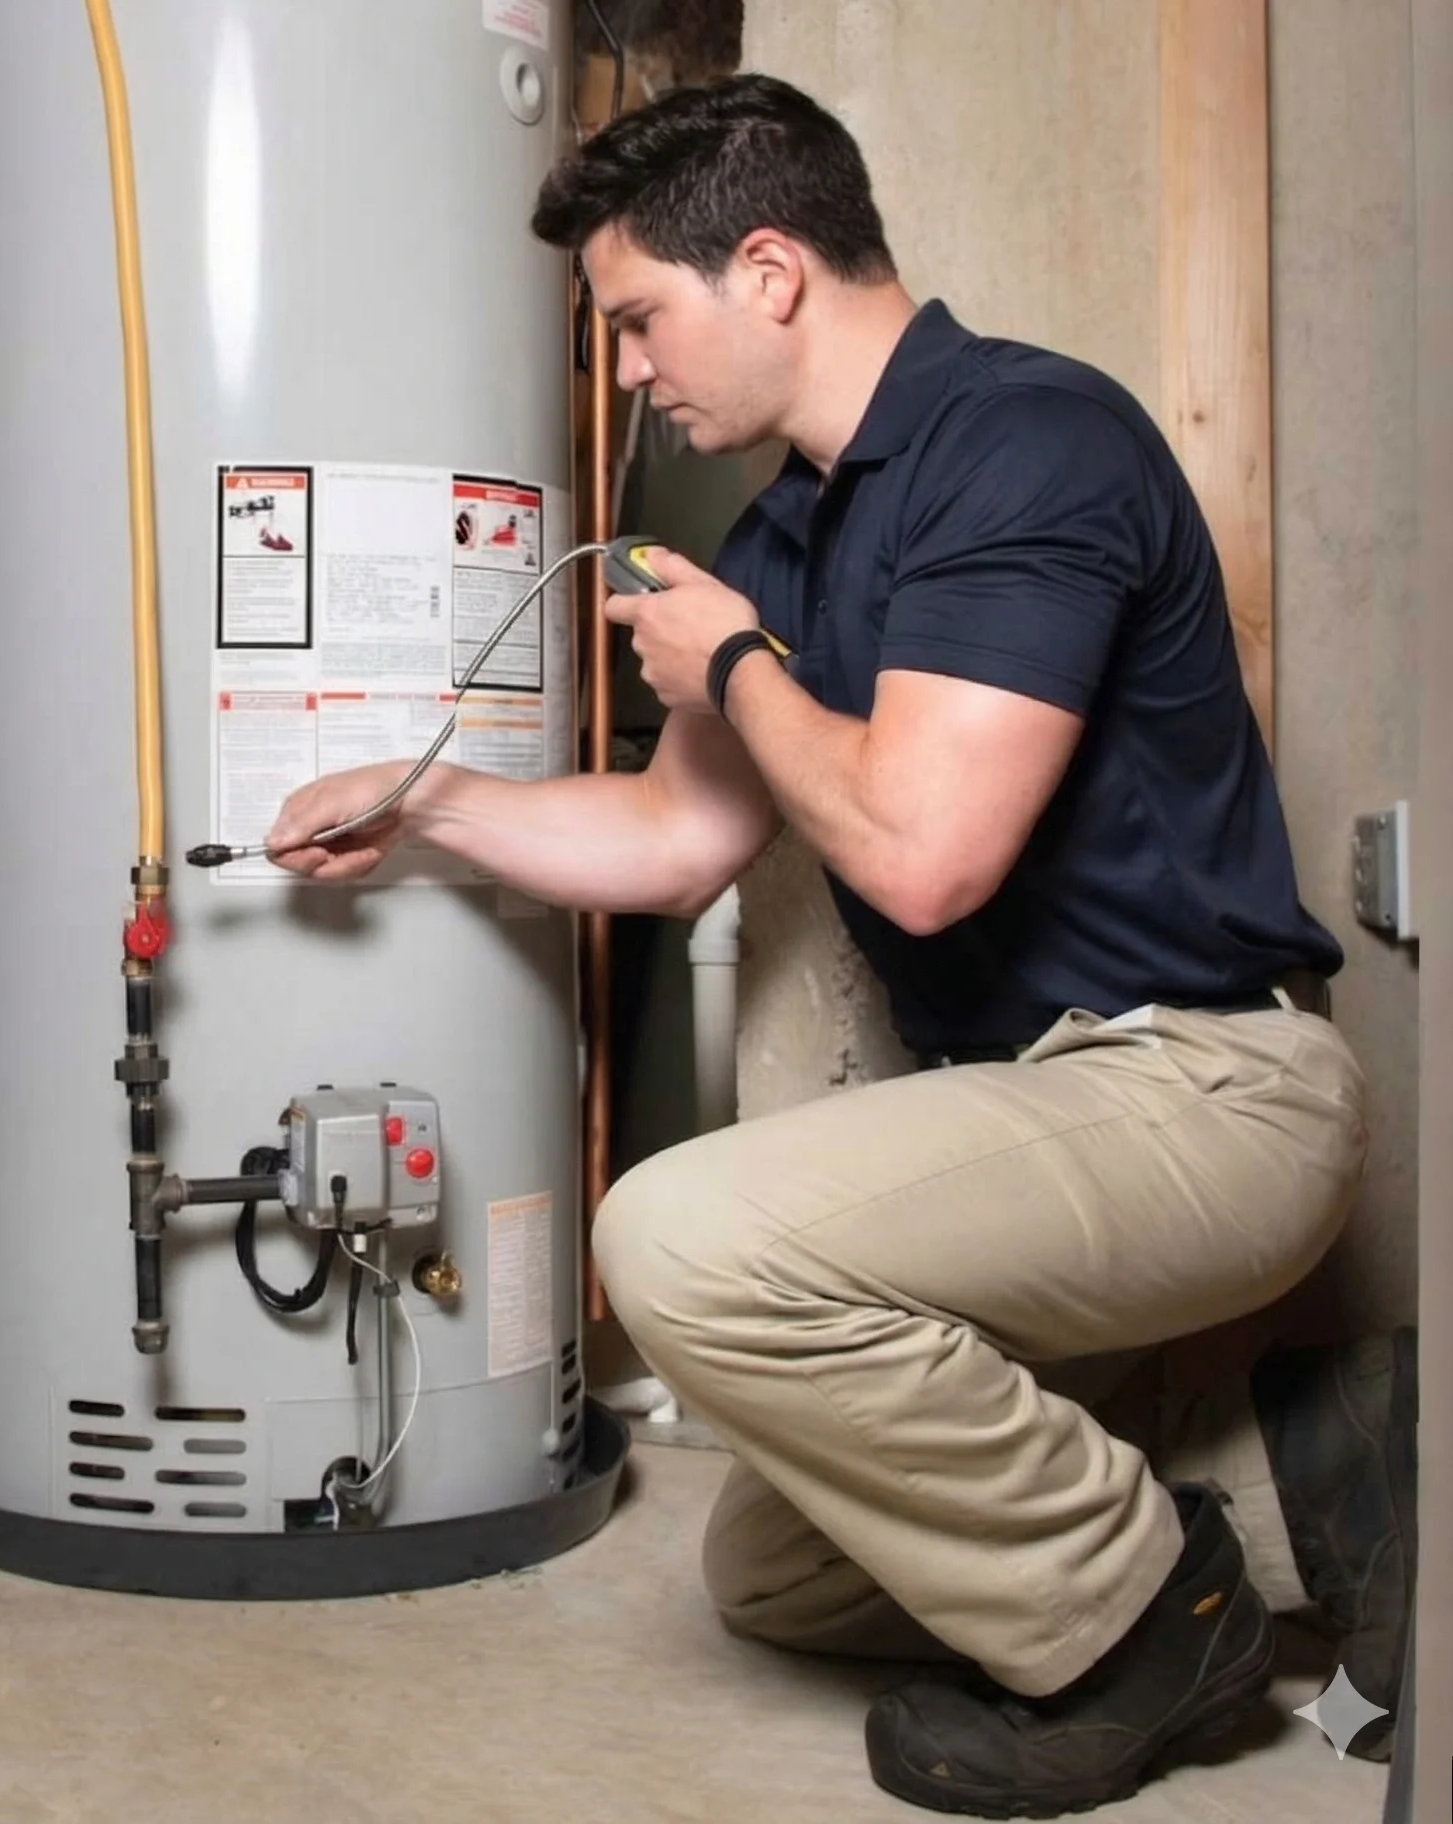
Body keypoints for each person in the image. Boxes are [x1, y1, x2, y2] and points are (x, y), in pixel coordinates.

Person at [265, 73, 1416, 1819]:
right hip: (1033, 1116)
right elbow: (671, 844)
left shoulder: (1028, 442)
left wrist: (733, 663)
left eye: (642, 319)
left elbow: (926, 856)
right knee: (775, 1577)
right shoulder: (790, 534)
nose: (630, 371)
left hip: (1212, 1089)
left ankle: (1145, 1625)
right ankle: (1306, 1472)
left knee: (676, 1234)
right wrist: (420, 808)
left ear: (773, 268)